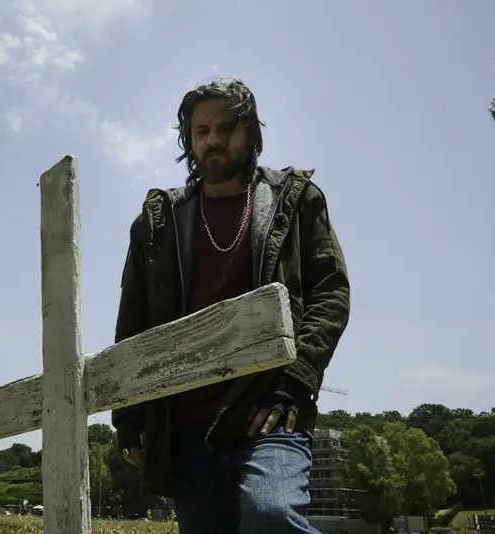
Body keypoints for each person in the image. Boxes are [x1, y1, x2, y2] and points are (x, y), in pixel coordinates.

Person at [111, 77, 351, 534]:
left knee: (271, 514)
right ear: (189, 141)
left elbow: (331, 292)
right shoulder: (158, 224)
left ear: (252, 133)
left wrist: (296, 380)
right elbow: (133, 321)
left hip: (271, 411)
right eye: (201, 131)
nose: (213, 140)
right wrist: (128, 415)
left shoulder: (295, 200)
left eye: (226, 128)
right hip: (187, 426)